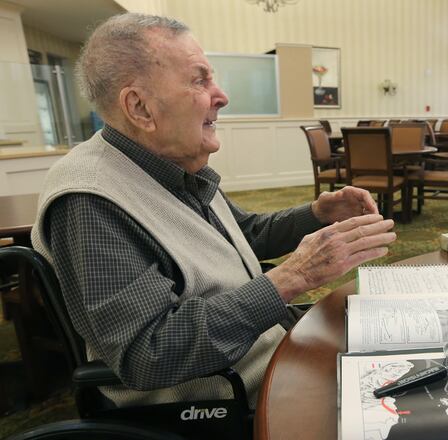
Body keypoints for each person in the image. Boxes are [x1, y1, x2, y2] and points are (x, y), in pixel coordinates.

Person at [30, 13, 396, 408]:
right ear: (139, 107)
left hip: (270, 351)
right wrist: (294, 276)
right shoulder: (89, 200)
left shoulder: (168, 165)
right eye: (199, 80)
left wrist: (317, 213)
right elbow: (149, 353)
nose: (221, 96)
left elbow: (243, 236)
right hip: (229, 397)